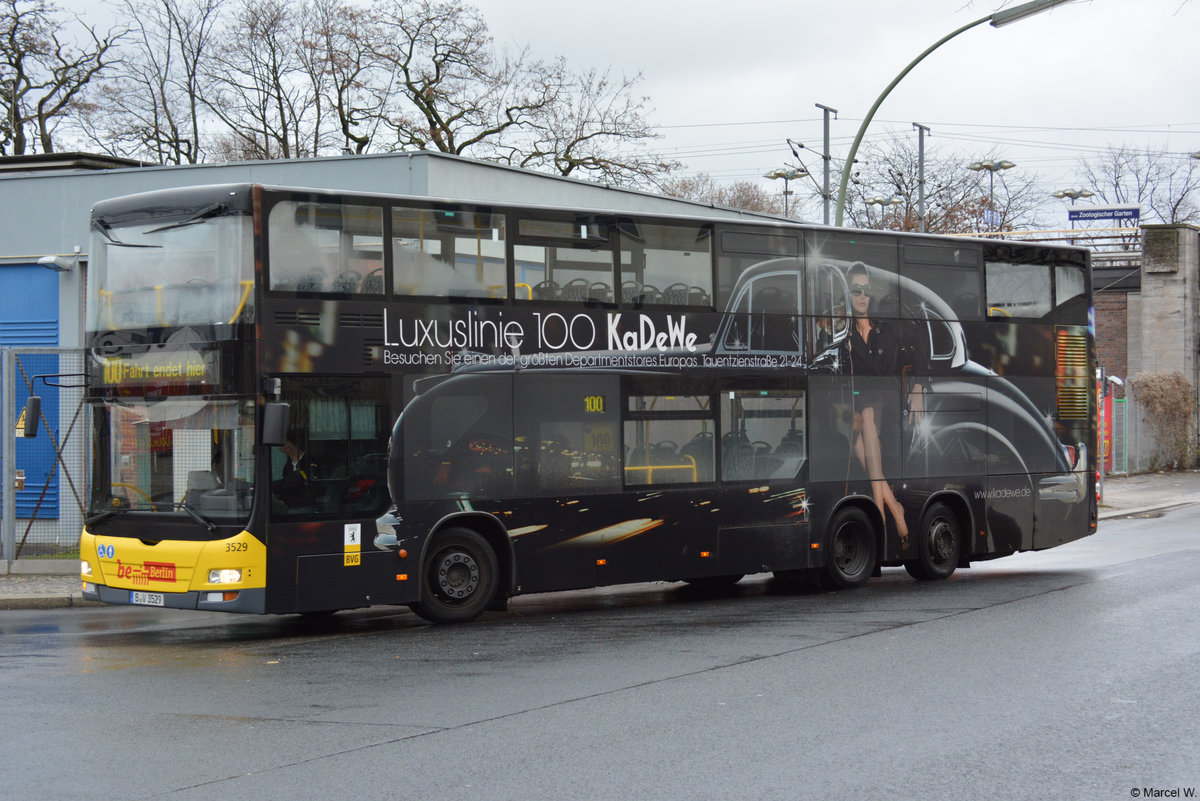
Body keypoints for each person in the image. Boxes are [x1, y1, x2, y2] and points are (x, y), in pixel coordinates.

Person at [842, 262, 927, 540]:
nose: (862, 296)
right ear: (847, 293)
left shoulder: (887, 325)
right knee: (859, 438)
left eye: (866, 289)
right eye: (856, 290)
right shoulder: (844, 334)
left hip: (889, 407)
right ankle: (892, 506)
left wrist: (917, 387)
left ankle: (881, 510)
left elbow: (921, 341)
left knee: (864, 426)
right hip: (861, 408)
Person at [273, 432, 318, 508]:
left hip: (304, 505)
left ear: (293, 444)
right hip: (289, 504)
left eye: (285, 442)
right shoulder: (288, 466)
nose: (281, 446)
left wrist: (270, 486)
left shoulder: (309, 462)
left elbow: (296, 481)